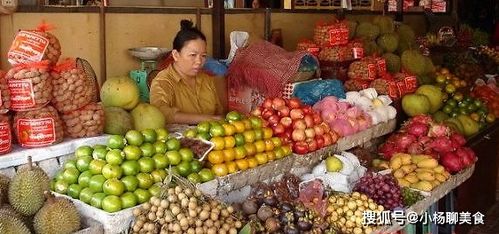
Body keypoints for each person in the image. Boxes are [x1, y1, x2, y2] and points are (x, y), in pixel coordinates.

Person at [150, 20, 224, 125]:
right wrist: (205, 119)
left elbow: (218, 113)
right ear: (176, 55)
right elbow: (161, 113)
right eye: (193, 55)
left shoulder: (206, 80)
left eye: (203, 56)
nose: (199, 61)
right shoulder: (162, 81)